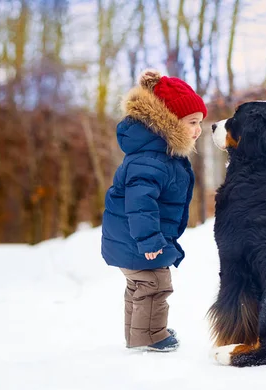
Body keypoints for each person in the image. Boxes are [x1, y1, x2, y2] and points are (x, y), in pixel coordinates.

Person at [101, 69, 206, 352]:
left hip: (128, 240)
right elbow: (139, 203)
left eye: (200, 122)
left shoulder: (159, 153)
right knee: (156, 284)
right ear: (170, 122)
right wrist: (149, 240)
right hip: (139, 241)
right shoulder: (152, 159)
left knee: (138, 287)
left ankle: (137, 334)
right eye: (192, 122)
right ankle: (150, 336)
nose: (197, 129)